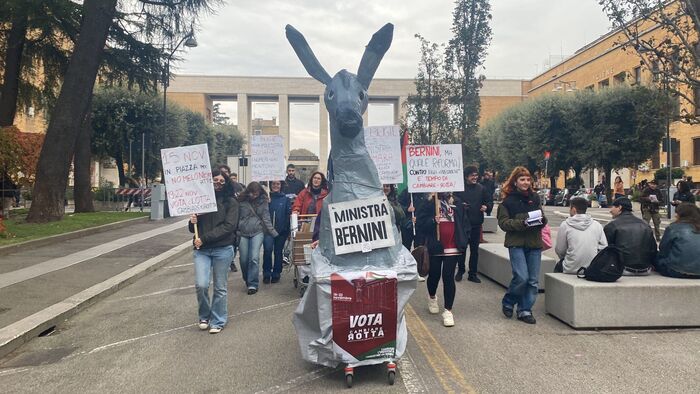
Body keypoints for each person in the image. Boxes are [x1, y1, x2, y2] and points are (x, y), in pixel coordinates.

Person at [188, 169, 238, 334]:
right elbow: (193, 229)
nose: (218, 183)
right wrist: (192, 221)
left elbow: (229, 227)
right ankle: (204, 315)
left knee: (219, 287)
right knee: (201, 284)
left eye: (221, 181)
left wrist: (205, 238)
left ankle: (218, 320)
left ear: (226, 183)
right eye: (215, 180)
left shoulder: (231, 202)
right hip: (202, 250)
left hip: (223, 249)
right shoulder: (200, 201)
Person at [497, 166, 547, 325]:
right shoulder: (507, 202)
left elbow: (542, 217)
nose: (526, 182)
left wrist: (541, 221)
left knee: (532, 280)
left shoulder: (535, 198)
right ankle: (509, 300)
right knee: (522, 277)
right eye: (522, 179)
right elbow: (504, 223)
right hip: (516, 244)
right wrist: (523, 223)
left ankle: (525, 309)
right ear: (515, 182)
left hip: (534, 243)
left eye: (527, 179)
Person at [416, 192, 470, 327]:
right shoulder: (428, 202)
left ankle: (448, 311)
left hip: (452, 246)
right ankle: (432, 297)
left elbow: (464, 223)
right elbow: (421, 224)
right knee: (434, 275)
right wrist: (433, 220)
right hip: (436, 245)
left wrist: (463, 239)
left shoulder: (457, 202)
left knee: (448, 277)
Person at [238, 182, 278, 294]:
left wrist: (273, 232)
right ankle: (247, 278)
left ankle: (253, 284)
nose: (254, 196)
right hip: (242, 232)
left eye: (257, 193)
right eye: (252, 193)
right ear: (248, 192)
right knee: (243, 259)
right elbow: (236, 216)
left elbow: (266, 217)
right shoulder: (240, 200)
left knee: (254, 258)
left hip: (257, 231)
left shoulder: (264, 201)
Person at [455, 166, 492, 283]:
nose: (475, 177)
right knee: (462, 249)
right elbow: (454, 202)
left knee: (474, 250)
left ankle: (473, 273)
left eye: (476, 175)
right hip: (463, 224)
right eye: (472, 175)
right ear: (466, 177)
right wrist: (461, 204)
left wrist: (487, 207)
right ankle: (460, 270)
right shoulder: (459, 189)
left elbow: (489, 201)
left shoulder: (482, 189)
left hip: (476, 223)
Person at [604, 197, 657, 275]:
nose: (610, 210)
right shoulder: (645, 224)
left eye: (613, 207)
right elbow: (653, 249)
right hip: (645, 269)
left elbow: (605, 250)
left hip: (622, 268)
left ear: (619, 207)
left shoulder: (612, 225)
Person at [554, 197, 607, 274]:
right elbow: (604, 247)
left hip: (570, 267)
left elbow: (560, 250)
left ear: (574, 209)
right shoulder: (597, 225)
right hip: (592, 268)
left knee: (556, 269)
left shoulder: (565, 225)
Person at [654, 203, 700, 278]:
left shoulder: (673, 228)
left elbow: (664, 250)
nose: (675, 215)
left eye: (677, 212)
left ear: (681, 215)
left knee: (655, 256)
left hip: (677, 270)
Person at [262, 180, 292, 284]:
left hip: (281, 231)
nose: (275, 186)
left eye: (277, 184)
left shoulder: (286, 199)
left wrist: (287, 229)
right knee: (268, 250)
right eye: (273, 184)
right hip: (268, 231)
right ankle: (266, 272)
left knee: (278, 252)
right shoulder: (266, 198)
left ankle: (276, 272)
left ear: (281, 185)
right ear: (270, 185)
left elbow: (288, 214)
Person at [217, 164, 240, 273]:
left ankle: (231, 260)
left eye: (226, 171)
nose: (224, 173)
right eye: (221, 171)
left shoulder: (237, 186)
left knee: (233, 242)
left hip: (232, 217)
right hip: (219, 220)